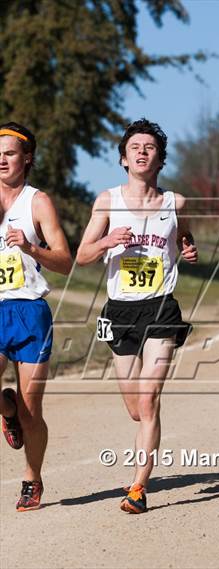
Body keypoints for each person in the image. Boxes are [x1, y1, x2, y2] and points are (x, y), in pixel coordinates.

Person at [76, 118, 198, 514]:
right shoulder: (108, 201)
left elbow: (185, 236)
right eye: (135, 147)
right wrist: (108, 240)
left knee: (148, 398)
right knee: (135, 407)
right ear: (124, 159)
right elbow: (82, 255)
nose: (142, 152)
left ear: (160, 159)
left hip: (161, 306)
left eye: (150, 147)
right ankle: (147, 435)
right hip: (120, 310)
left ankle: (137, 488)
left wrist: (188, 249)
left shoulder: (175, 203)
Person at [0, 122, 73, 511]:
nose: (1, 158)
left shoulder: (37, 202)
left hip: (29, 311)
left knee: (32, 411)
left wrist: (30, 246)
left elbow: (65, 261)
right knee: (17, 407)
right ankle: (6, 409)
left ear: (26, 158)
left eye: (9, 153)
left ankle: (32, 478)